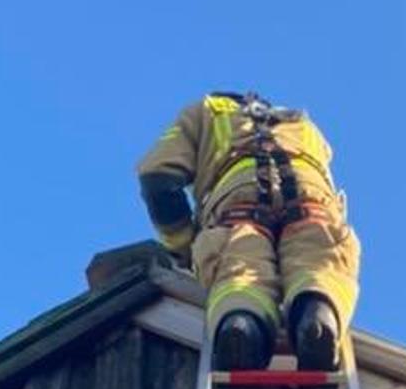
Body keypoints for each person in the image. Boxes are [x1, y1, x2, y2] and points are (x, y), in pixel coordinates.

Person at [136, 92, 360, 372]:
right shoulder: (304, 125)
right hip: (312, 199)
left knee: (240, 274)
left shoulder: (206, 111)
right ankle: (317, 317)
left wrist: (184, 246)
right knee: (319, 261)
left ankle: (241, 326)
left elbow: (157, 176)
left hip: (238, 200)